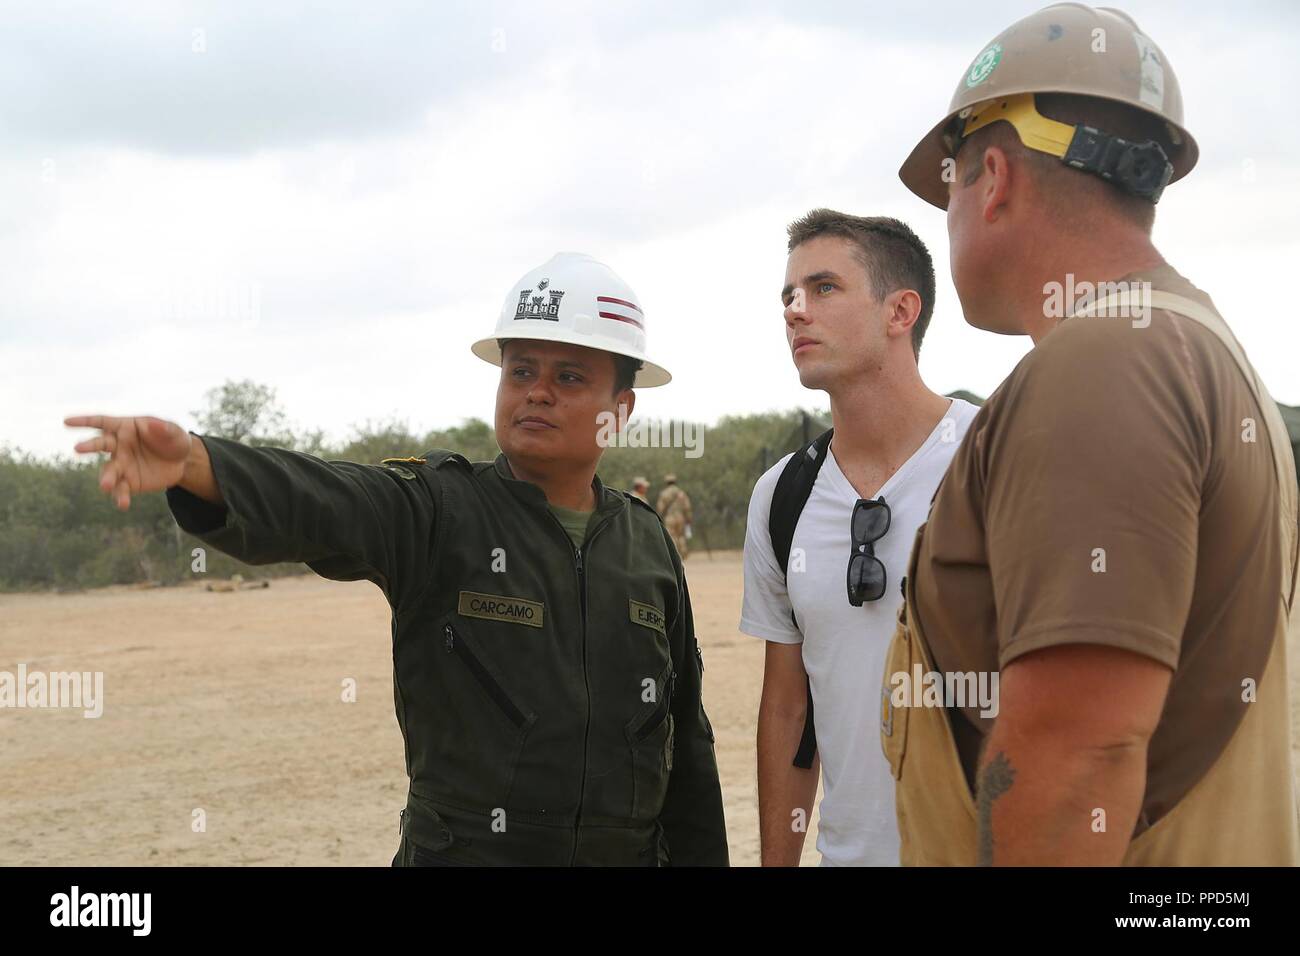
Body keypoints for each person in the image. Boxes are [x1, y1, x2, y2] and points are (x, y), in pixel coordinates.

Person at [65, 252, 729, 867]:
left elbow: (688, 749)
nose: (537, 392)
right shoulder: (439, 513)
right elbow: (327, 499)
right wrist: (198, 465)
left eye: (570, 376)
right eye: (521, 370)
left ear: (621, 408)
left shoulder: (647, 546)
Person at [884, 3, 1299, 864]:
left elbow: (1078, 757)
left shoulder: (1106, 362)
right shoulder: (1197, 345)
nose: (949, 214)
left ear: (992, 177)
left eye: (950, 182)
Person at [741, 209, 978, 866]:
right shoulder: (780, 497)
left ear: (900, 311)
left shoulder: (995, 459)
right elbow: (788, 710)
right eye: (788, 295)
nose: (794, 311)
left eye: (823, 288)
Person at [656, 475, 693, 560]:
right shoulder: (681, 493)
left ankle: (675, 556)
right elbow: (687, 507)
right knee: (681, 536)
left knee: (671, 536)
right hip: (680, 517)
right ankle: (683, 554)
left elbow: (660, 508)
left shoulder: (664, 493)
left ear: (666, 483)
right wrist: (689, 518)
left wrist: (658, 517)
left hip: (670, 517)